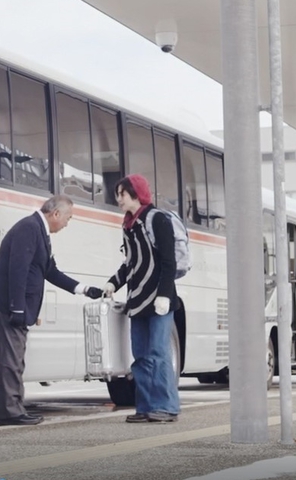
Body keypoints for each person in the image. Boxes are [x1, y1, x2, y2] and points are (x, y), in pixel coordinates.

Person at [0, 194, 105, 426]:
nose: (68, 223)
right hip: (9, 305)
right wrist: (17, 308)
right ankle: (11, 412)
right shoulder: (29, 228)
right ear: (55, 214)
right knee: (12, 359)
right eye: (68, 218)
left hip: (16, 306)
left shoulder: (40, 231)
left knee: (15, 358)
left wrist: (84, 289)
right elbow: (17, 270)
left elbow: (50, 271)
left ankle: (15, 408)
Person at [102, 174, 181, 423]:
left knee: (158, 353)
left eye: (122, 194)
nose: (119, 199)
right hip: (137, 301)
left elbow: (169, 262)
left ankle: (166, 407)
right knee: (141, 357)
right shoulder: (128, 224)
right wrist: (113, 282)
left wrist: (165, 295)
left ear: (136, 193)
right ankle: (146, 407)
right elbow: (130, 263)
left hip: (159, 300)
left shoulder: (157, 219)